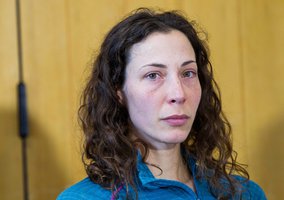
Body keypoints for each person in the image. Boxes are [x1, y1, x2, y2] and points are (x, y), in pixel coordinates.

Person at [57, 8, 266, 200]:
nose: (178, 93)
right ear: (118, 91)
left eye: (188, 73)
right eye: (153, 75)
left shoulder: (244, 193)